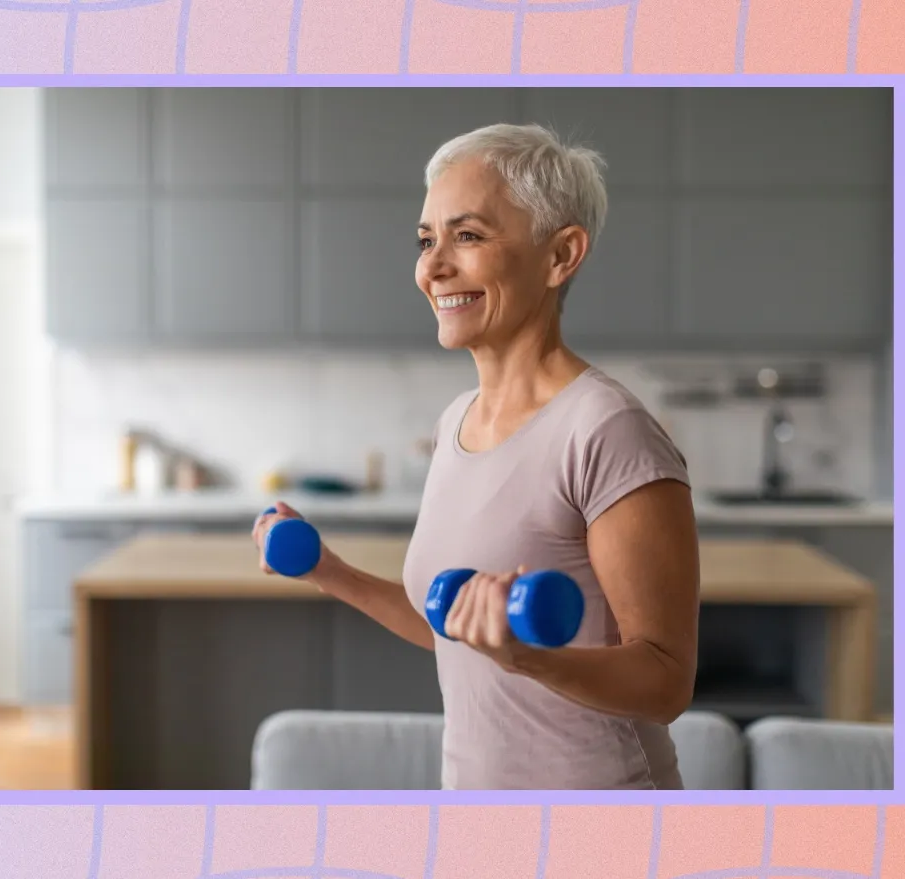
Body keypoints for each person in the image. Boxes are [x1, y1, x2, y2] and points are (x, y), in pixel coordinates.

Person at [252, 123, 700, 790]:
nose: (432, 267)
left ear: (561, 255)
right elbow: (452, 626)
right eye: (426, 239)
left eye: (467, 236)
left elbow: (665, 680)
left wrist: (528, 657)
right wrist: (329, 570)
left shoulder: (607, 429)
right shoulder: (457, 420)